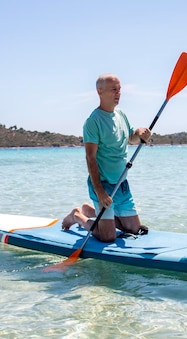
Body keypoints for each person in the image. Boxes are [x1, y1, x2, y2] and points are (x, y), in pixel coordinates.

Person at [61, 73, 151, 242]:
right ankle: (78, 216)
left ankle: (92, 212)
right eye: (113, 90)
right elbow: (90, 158)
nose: (118, 93)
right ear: (100, 92)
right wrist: (100, 192)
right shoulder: (93, 121)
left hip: (121, 184)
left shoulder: (121, 115)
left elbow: (131, 138)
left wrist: (140, 133)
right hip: (102, 185)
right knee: (107, 236)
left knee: (133, 229)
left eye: (119, 89)